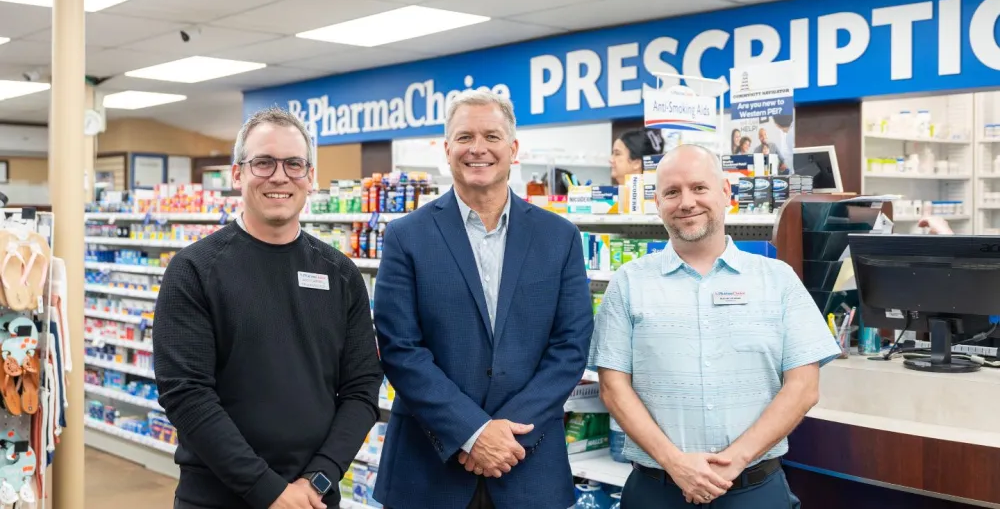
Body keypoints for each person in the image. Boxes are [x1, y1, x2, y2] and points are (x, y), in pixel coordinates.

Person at [372, 89, 595, 509]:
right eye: (465, 137)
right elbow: (400, 349)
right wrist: (472, 432)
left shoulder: (559, 237)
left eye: (492, 136)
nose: (478, 149)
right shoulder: (407, 236)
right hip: (428, 471)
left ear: (512, 149)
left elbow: (570, 348)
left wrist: (502, 438)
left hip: (527, 465)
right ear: (447, 149)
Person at [154, 107, 384, 509]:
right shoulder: (193, 270)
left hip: (312, 498)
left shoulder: (341, 274)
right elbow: (186, 395)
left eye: (294, 164)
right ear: (238, 174)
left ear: (310, 177)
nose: (280, 176)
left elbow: (362, 388)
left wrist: (320, 478)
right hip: (217, 498)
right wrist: (269, 491)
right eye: (263, 162)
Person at [590, 144, 841, 508]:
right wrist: (675, 463)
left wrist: (735, 460)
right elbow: (614, 388)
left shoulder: (777, 280)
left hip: (753, 490)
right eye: (671, 192)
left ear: (726, 193)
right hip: (656, 491)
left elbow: (803, 388)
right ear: (657, 203)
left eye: (699, 188)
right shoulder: (629, 282)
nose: (686, 202)